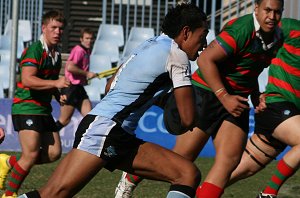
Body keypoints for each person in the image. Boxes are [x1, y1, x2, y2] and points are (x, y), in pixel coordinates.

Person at [18, 3, 209, 198]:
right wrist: (190, 113)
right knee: (54, 194)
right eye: (202, 36)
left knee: (187, 173)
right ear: (186, 32)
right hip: (107, 131)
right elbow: (186, 118)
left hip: (109, 129)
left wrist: (155, 98)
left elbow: (110, 86)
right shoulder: (177, 56)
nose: (204, 44)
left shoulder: (150, 43)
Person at [114, 0, 284, 197]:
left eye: (277, 12)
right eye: (267, 10)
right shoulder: (241, 29)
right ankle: (131, 177)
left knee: (229, 161)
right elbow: (205, 59)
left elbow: (250, 69)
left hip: (235, 101)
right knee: (182, 160)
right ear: (256, 8)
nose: (272, 16)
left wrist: (255, 96)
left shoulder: (276, 37)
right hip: (208, 94)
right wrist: (224, 96)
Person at [225, 18, 300, 198]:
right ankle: (268, 194)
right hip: (277, 105)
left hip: (290, 115)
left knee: (244, 169)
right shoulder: (290, 28)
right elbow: (248, 29)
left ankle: (195, 192)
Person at [0, 10, 70, 198]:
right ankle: (9, 195)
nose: (57, 32)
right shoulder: (35, 50)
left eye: (61, 29)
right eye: (53, 28)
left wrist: (57, 93)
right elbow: (28, 79)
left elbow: (47, 79)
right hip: (26, 106)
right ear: (44, 28)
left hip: (43, 109)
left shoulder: (54, 54)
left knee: (54, 153)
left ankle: (7, 163)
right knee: (30, 155)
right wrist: (56, 84)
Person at [55, 27, 97, 131]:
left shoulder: (87, 51)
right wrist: (86, 73)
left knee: (90, 118)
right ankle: (47, 138)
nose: (89, 41)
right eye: (87, 38)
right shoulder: (79, 50)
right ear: (81, 39)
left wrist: (84, 78)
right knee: (64, 120)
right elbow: (70, 67)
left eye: (91, 39)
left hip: (78, 88)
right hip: (70, 88)